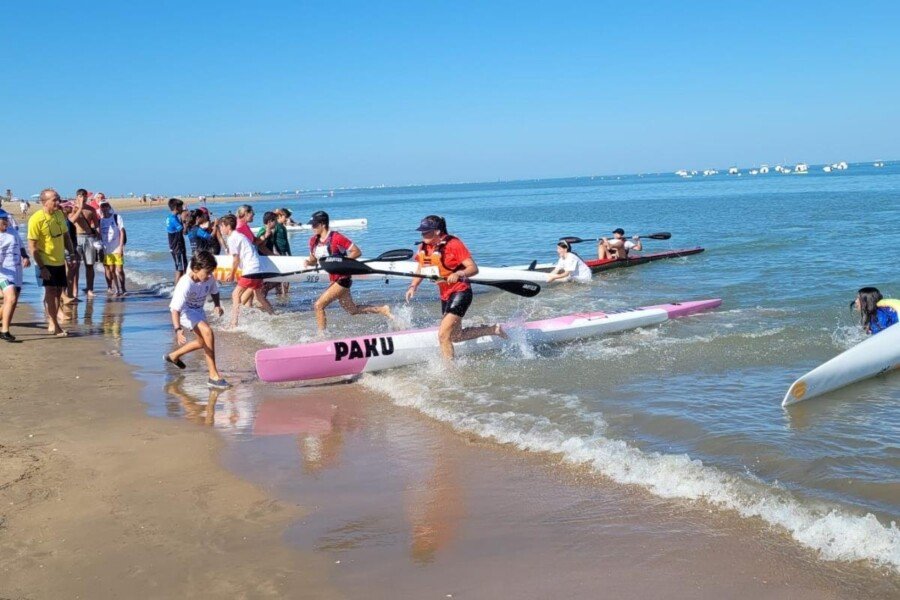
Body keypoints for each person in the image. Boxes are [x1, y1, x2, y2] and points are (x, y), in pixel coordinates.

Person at [405, 215, 505, 360]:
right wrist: (413, 286)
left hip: (461, 291)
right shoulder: (424, 247)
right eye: (422, 232)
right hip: (445, 294)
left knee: (443, 335)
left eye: (426, 231)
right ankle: (492, 329)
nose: (423, 234)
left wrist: (459, 273)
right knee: (455, 336)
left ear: (437, 231)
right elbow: (421, 267)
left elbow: (473, 268)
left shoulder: (454, 244)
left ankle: (450, 373)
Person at [305, 210, 391, 332]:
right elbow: (314, 260)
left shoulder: (336, 238)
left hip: (343, 279)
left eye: (314, 225)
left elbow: (357, 251)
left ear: (322, 224)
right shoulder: (313, 241)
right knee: (353, 310)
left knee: (318, 305)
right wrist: (309, 262)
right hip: (333, 281)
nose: (312, 227)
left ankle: (321, 336)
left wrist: (341, 261)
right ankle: (382, 310)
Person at [165, 250, 231, 389]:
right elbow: (175, 309)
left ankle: (174, 356)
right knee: (208, 332)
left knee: (202, 342)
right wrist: (178, 330)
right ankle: (213, 376)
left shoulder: (209, 278)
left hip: (198, 311)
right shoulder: (185, 284)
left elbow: (214, 291)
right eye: (206, 273)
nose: (209, 276)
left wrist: (217, 305)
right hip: (185, 312)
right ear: (195, 269)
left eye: (210, 272)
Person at [27, 188, 75, 336]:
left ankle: (52, 321)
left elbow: (66, 236)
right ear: (44, 202)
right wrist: (42, 267)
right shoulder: (36, 219)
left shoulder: (60, 214)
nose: (58, 202)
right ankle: (55, 325)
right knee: (50, 291)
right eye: (54, 199)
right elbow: (32, 247)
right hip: (44, 261)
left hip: (59, 261)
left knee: (59, 292)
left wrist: (72, 253)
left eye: (58, 198)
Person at [219, 214, 273, 326]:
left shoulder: (232, 238)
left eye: (222, 226)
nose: (221, 229)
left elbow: (236, 260)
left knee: (235, 294)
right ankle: (273, 315)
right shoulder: (240, 235)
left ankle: (233, 323)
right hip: (258, 269)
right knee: (258, 297)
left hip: (251, 270)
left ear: (228, 226)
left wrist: (232, 274)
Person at [0, 209, 29, 341]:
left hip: (17, 271)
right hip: (3, 273)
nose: (6, 223)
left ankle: (4, 326)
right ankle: (5, 331)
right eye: (3, 222)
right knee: (10, 298)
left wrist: (25, 256)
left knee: (11, 301)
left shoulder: (12, 232)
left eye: (6, 221)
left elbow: (21, 245)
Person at [69, 188, 101, 298]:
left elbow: (96, 225)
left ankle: (90, 289)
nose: (83, 198)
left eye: (85, 196)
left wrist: (98, 235)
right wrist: (80, 208)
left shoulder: (91, 209)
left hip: (89, 238)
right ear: (77, 197)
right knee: (75, 266)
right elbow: (71, 221)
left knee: (90, 265)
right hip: (76, 238)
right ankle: (75, 291)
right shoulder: (72, 209)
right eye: (81, 196)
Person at [99, 201, 126, 296]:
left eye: (106, 206)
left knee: (119, 269)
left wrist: (121, 246)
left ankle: (123, 289)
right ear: (100, 208)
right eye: (102, 206)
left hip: (117, 248)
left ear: (109, 206)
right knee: (111, 270)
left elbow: (122, 231)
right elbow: (99, 234)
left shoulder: (116, 217)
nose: (104, 208)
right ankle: (117, 289)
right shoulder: (100, 220)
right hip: (106, 249)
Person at [167, 198, 188, 285]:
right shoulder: (173, 219)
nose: (182, 209)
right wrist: (185, 221)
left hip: (174, 247)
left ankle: (177, 290)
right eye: (181, 207)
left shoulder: (170, 217)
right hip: (177, 248)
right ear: (176, 207)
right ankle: (178, 291)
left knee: (179, 269)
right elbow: (184, 232)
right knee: (181, 270)